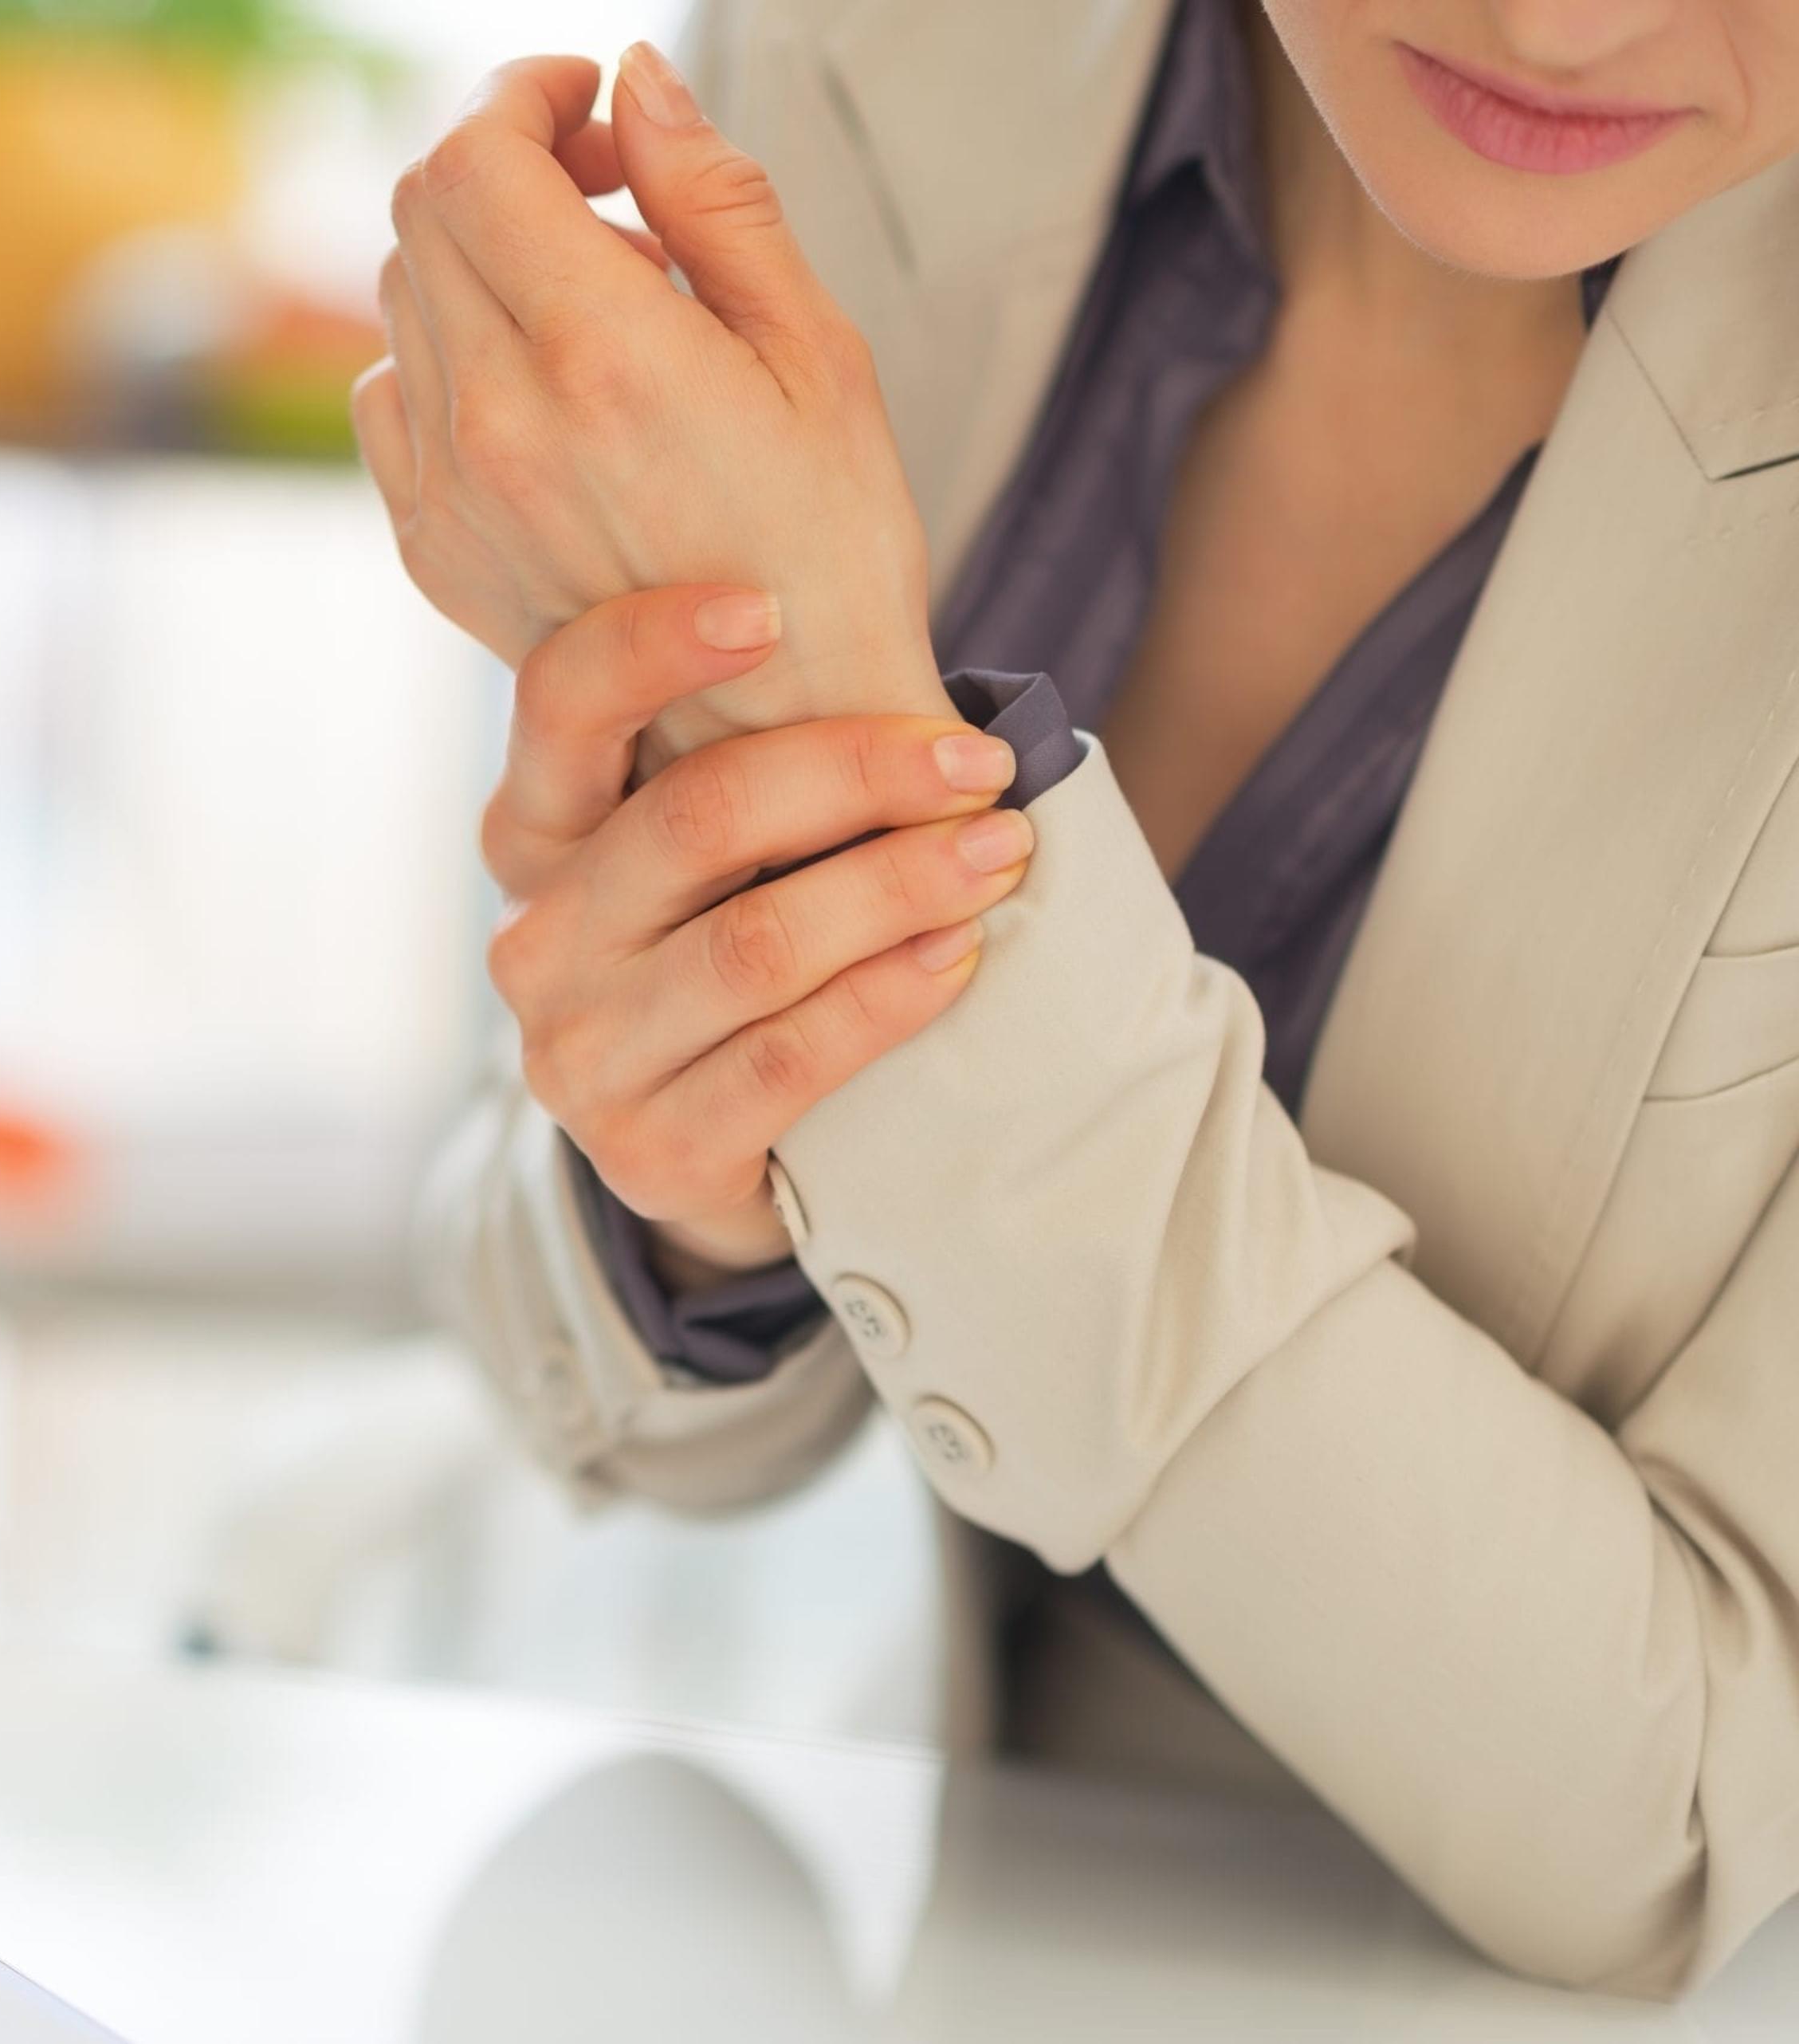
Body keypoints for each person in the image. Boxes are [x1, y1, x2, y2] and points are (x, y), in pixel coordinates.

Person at [350, 0, 1799, 1998]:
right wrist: (707, 1163)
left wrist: (846, 762)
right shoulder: (874, 54)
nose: (1559, 22)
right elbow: (562, 1337)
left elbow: (1696, 1815)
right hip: (946, 1911)